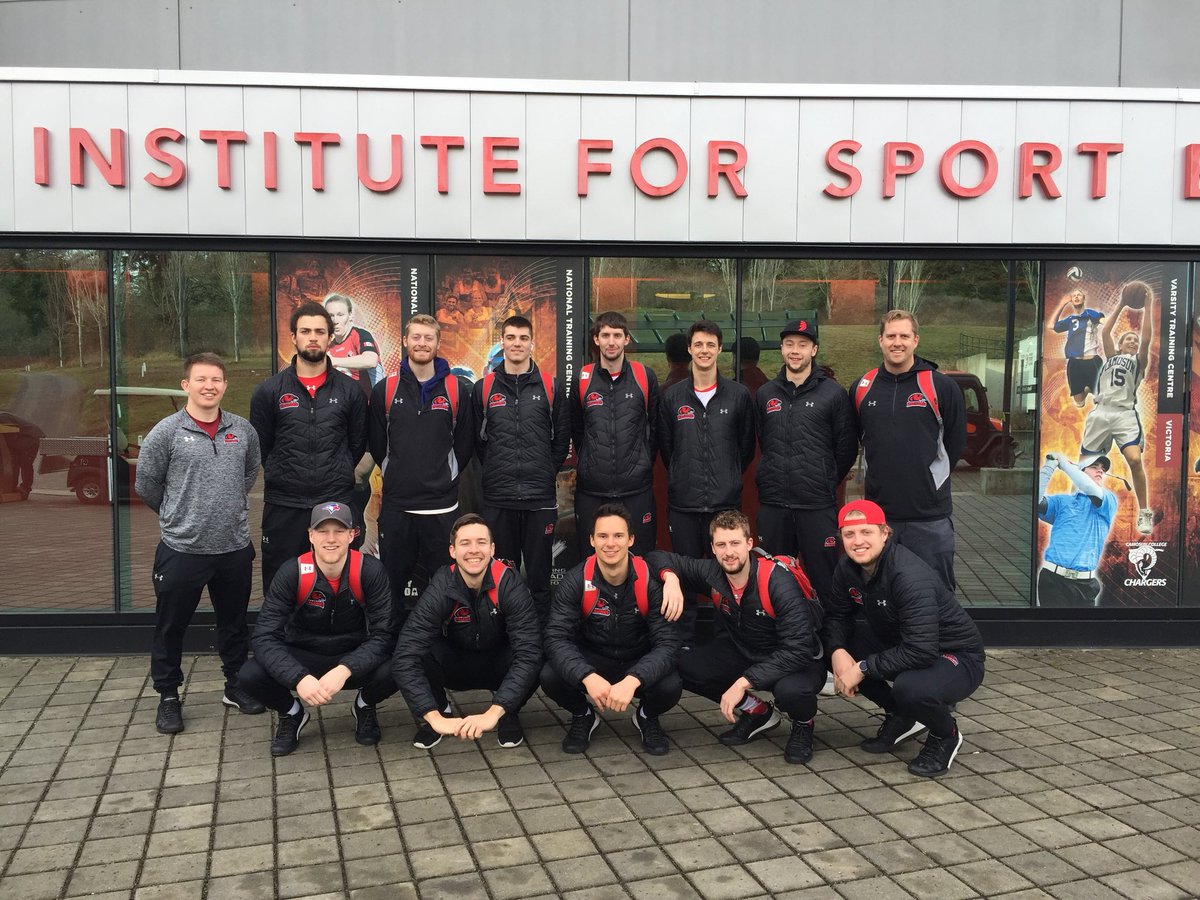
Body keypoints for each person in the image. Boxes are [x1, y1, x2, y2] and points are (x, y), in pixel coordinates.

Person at [135, 352, 265, 734]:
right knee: (170, 627)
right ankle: (169, 697)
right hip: (182, 549)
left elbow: (248, 474)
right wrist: (178, 515)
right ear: (185, 385)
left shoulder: (242, 430)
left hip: (233, 548)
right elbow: (147, 485)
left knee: (234, 623)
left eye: (217, 380)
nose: (210, 386)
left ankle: (235, 686)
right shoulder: (166, 432)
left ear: (225, 386)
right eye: (201, 379)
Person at [649, 510, 825, 764]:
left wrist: (743, 682)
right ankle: (757, 712)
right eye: (721, 544)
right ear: (712, 547)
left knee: (791, 692)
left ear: (750, 544)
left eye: (735, 543)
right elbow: (656, 557)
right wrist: (671, 579)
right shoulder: (712, 571)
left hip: (797, 662)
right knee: (682, 664)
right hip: (747, 651)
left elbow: (798, 649)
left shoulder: (777, 582)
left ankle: (803, 725)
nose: (729, 552)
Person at [825, 500, 985, 778]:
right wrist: (838, 651)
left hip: (956, 655)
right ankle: (903, 716)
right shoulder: (847, 568)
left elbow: (921, 650)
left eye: (867, 533)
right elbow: (837, 616)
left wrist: (861, 668)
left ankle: (945, 735)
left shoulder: (908, 574)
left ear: (885, 533)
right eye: (849, 535)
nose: (858, 542)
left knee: (911, 689)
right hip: (904, 642)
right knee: (826, 647)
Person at [238, 501, 398, 756]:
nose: (331, 539)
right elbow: (264, 636)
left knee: (401, 664)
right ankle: (292, 714)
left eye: (339, 531)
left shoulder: (370, 570)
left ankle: (365, 705)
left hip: (351, 655)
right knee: (249, 675)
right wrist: (297, 678)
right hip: (305, 655)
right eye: (323, 531)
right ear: (311, 536)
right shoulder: (293, 572)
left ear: (352, 535)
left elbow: (384, 635)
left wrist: (345, 669)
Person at [541, 504, 682, 756]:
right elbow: (556, 638)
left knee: (671, 684)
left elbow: (668, 644)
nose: (610, 543)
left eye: (618, 536)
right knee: (550, 675)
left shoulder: (650, 580)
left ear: (631, 539)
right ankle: (583, 715)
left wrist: (634, 679)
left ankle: (646, 716)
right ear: (592, 540)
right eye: (603, 536)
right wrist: (586, 676)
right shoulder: (575, 580)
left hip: (637, 659)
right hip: (593, 659)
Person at [393, 514, 542, 750]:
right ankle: (441, 712)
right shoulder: (441, 585)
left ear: (492, 549)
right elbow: (405, 655)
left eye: (481, 542)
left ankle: (507, 713)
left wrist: (493, 713)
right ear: (452, 551)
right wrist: (433, 718)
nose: (474, 550)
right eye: (465, 543)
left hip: (498, 665)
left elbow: (529, 654)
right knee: (418, 651)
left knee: (536, 656)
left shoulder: (510, 584)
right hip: (456, 664)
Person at [250, 301, 368, 594]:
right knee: (280, 586)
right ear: (294, 337)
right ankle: (280, 640)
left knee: (336, 586)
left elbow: (356, 444)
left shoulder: (350, 390)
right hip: (284, 505)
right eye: (305, 331)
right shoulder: (269, 391)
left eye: (320, 331)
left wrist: (335, 470)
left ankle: (333, 640)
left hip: (334, 503)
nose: (313, 337)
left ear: (330, 337)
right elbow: (262, 446)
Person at [369, 314, 475, 624]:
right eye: (416, 337)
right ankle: (390, 652)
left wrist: (446, 476)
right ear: (405, 341)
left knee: (445, 590)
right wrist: (396, 471)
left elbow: (465, 445)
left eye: (429, 338)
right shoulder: (385, 390)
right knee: (391, 588)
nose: (422, 343)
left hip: (441, 508)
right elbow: (378, 445)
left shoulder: (456, 390)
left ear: (438, 344)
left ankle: (441, 651)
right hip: (398, 507)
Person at [851, 310, 966, 591]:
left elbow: (955, 443)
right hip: (879, 516)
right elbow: (855, 440)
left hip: (929, 516)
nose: (897, 342)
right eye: (891, 336)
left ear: (916, 340)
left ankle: (937, 638)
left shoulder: (941, 386)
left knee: (935, 594)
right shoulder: (862, 388)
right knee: (883, 594)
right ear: (880, 340)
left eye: (904, 336)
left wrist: (929, 480)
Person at [658, 320, 755, 634]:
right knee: (683, 580)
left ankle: (729, 644)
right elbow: (667, 448)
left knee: (728, 580)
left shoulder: (738, 396)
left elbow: (745, 449)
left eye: (710, 345)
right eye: (698, 344)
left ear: (720, 350)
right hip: (684, 505)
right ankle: (681, 646)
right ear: (689, 349)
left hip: (724, 506)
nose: (704, 350)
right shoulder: (672, 397)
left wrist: (724, 476)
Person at [471, 315, 570, 621]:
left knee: (540, 579)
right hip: (498, 499)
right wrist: (501, 471)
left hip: (539, 499)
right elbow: (479, 443)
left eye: (523, 338)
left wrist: (543, 471)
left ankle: (540, 639)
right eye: (510, 337)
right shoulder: (484, 388)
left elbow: (561, 439)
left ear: (532, 343)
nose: (516, 343)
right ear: (502, 342)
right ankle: (506, 637)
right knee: (502, 577)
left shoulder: (550, 387)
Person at [755, 317, 857, 605]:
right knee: (773, 580)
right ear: (782, 349)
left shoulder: (833, 394)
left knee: (824, 580)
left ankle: (828, 645)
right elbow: (764, 441)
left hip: (816, 505)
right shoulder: (766, 394)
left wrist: (823, 479)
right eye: (789, 344)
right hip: (774, 504)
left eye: (802, 344)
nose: (795, 350)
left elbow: (846, 447)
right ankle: (782, 643)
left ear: (814, 349)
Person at [571, 310, 660, 554]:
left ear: (627, 340)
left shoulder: (644, 376)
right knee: (592, 560)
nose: (611, 341)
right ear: (596, 340)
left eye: (617, 335)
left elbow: (656, 429)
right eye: (606, 335)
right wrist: (591, 461)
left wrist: (640, 462)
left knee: (640, 559)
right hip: (592, 490)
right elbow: (577, 429)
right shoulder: (582, 378)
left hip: (635, 489)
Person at [1081, 281, 1155, 536]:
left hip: (1124, 413)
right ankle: (1083, 507)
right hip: (1101, 411)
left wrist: (1147, 306)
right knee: (1086, 463)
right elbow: (1105, 334)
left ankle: (1144, 512)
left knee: (1134, 459)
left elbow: (1147, 338)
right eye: (1129, 339)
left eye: (1135, 340)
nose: (1133, 341)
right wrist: (1123, 303)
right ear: (1121, 345)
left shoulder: (1139, 361)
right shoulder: (1112, 357)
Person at [1037, 454, 1118, 607]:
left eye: (1103, 469)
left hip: (1085, 585)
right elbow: (1036, 501)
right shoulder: (1062, 501)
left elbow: (1089, 488)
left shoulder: (1108, 500)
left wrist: (1064, 465)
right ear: (1080, 471)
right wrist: (1048, 468)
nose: (1100, 471)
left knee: (1083, 631)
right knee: (1054, 630)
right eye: (1094, 467)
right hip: (1053, 580)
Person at [1052, 288, 1105, 408]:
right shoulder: (1070, 320)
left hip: (1092, 361)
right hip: (1075, 362)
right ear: (1071, 300)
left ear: (1084, 298)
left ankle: (1091, 388)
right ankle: (1086, 389)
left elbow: (1104, 321)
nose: (1076, 297)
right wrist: (1062, 304)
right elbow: (1052, 325)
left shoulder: (1090, 313)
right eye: (1074, 295)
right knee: (1079, 403)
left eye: (1079, 295)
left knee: (1100, 399)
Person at [324, 293, 381, 396]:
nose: (335, 321)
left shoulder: (360, 335)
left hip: (369, 404)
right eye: (331, 316)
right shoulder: (329, 347)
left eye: (340, 315)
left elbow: (371, 360)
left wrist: (334, 361)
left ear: (350, 315)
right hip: (345, 405)